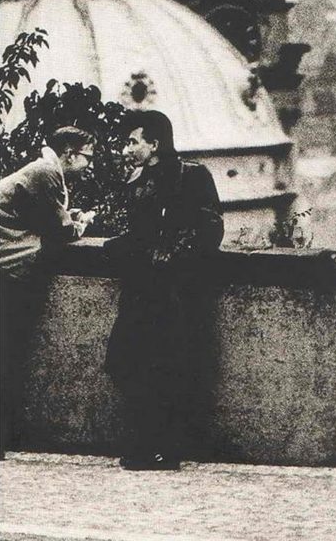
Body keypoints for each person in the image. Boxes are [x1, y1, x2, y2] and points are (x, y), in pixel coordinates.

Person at [104, 110, 223, 471]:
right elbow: (140, 235)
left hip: (175, 294)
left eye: (132, 141)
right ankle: (144, 445)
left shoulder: (192, 175)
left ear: (154, 144)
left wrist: (172, 254)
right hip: (142, 292)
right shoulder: (138, 182)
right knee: (132, 365)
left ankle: (166, 449)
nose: (126, 149)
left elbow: (210, 226)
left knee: (169, 368)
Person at [0, 126, 97, 455]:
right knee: (7, 352)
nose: (88, 164)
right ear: (69, 153)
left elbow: (44, 218)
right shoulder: (47, 173)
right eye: (87, 157)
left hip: (8, 263)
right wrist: (84, 222)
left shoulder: (43, 171)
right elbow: (63, 231)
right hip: (8, 267)